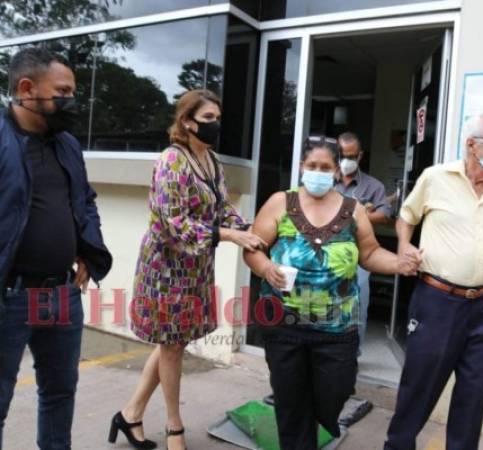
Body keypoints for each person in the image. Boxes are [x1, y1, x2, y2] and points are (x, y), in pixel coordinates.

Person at [109, 89, 265, 450]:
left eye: (217, 118)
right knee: (173, 347)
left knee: (172, 344)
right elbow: (173, 224)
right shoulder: (171, 161)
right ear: (187, 121)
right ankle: (174, 426)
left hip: (194, 268)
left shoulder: (211, 161)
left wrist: (245, 228)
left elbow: (223, 208)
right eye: (208, 118)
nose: (216, 125)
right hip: (166, 268)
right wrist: (229, 235)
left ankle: (130, 413)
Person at [244, 135, 413, 450]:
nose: (318, 172)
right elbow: (253, 248)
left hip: (337, 328)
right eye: (312, 166)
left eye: (326, 167)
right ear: (301, 167)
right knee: (291, 403)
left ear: (337, 171)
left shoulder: (354, 209)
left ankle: (315, 423)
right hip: (285, 325)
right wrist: (266, 268)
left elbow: (370, 253)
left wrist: (400, 263)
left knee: (335, 390)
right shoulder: (281, 202)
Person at [384, 113, 483, 450]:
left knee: (472, 392)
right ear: (472, 145)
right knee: (419, 387)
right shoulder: (436, 178)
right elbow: (407, 218)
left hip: (481, 305)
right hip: (436, 301)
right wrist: (404, 246)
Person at [0, 48, 113, 450]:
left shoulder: (67, 143)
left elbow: (85, 201)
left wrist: (88, 246)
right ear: (27, 89)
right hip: (9, 296)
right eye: (63, 91)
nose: (72, 100)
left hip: (62, 294)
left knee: (60, 394)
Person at [335, 132, 391, 351]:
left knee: (357, 305)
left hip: (359, 255)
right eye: (341, 155)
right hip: (325, 251)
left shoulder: (372, 186)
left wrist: (357, 215)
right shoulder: (325, 179)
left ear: (360, 156)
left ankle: (353, 353)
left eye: (351, 156)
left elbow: (385, 214)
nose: (346, 160)